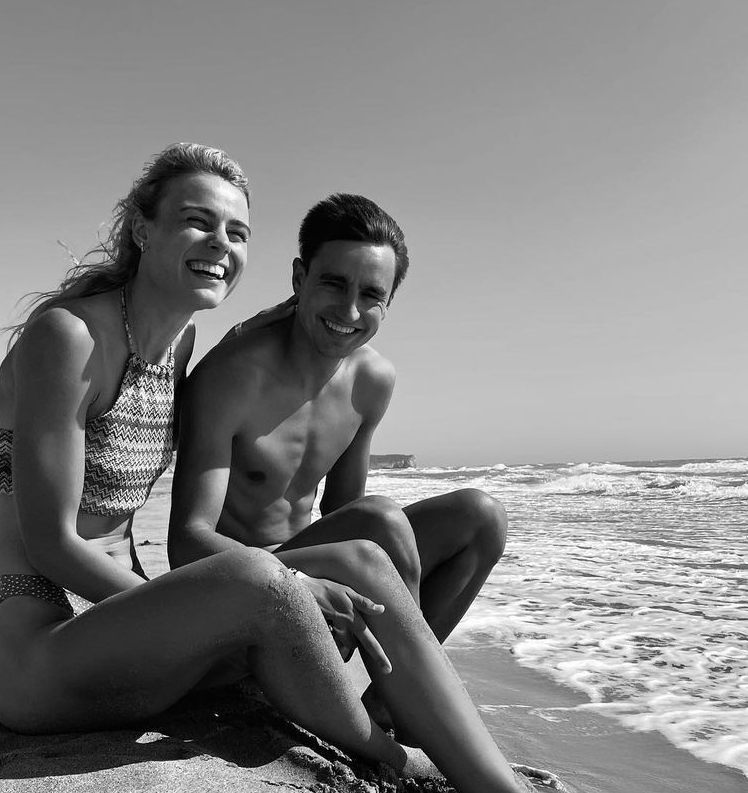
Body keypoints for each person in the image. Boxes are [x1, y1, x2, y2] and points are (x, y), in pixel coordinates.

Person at [0, 142, 659, 793]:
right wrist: (268, 589)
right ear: (141, 228)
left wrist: (322, 314)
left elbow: (314, 334)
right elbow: (51, 543)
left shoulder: (179, 346)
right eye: (197, 222)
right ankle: (416, 765)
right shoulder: (68, 337)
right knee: (254, 572)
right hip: (42, 654)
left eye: (237, 233)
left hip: (140, 645)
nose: (221, 245)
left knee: (364, 554)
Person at [167, 192, 506, 657]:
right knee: (380, 518)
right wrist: (299, 581)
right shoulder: (233, 376)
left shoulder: (372, 380)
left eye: (371, 295)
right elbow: (187, 543)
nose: (349, 311)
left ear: (388, 303)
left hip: (320, 571)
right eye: (333, 284)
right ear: (299, 277)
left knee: (481, 516)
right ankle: (416, 686)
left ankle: (388, 703)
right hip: (237, 588)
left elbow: (344, 512)